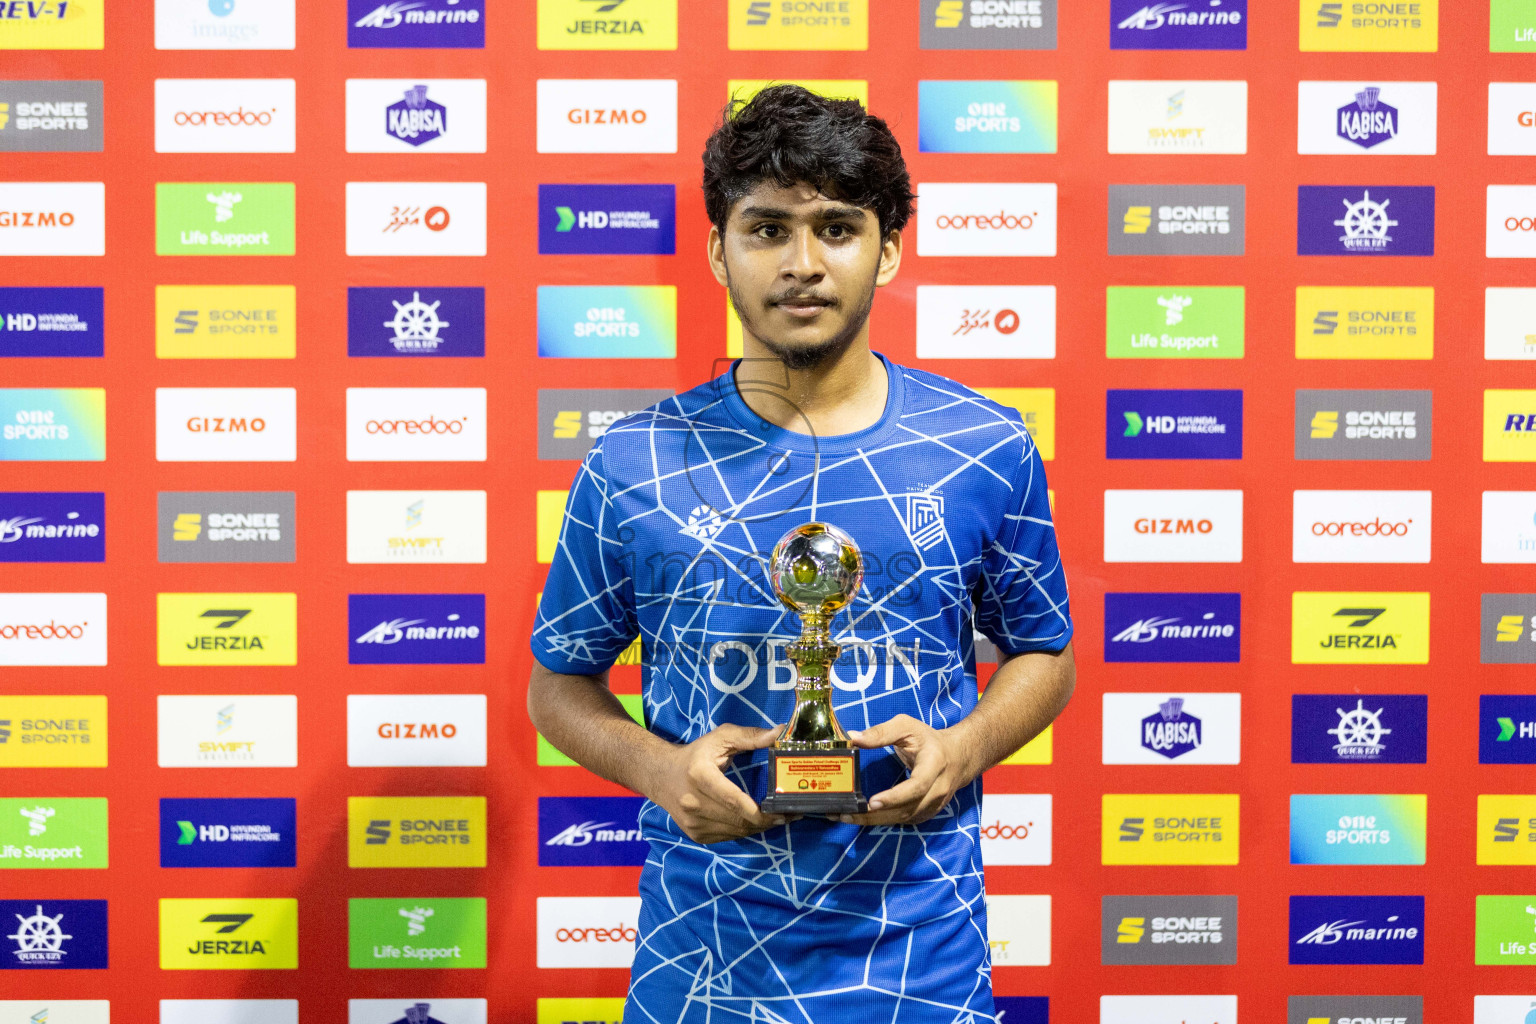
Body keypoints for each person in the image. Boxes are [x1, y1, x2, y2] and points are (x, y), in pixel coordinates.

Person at [528, 84, 1075, 1023]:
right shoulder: (633, 461)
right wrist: (661, 772)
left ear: (890, 248)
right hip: (701, 962)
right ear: (717, 250)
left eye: (837, 228)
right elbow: (557, 684)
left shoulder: (986, 445)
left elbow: (1046, 653)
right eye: (768, 229)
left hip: (922, 962)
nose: (804, 265)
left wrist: (962, 748)